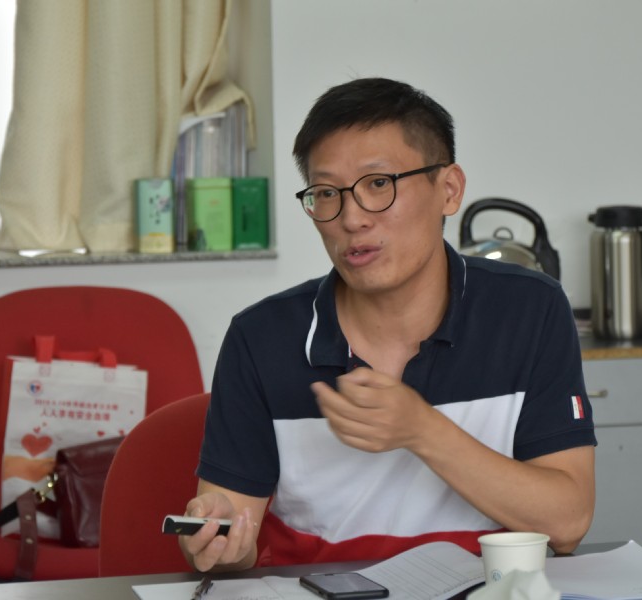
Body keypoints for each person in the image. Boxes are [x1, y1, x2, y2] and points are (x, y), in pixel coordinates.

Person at [180, 77, 596, 573]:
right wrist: (219, 541)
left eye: (378, 184)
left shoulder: (530, 310)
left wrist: (421, 430)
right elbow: (233, 541)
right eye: (326, 193)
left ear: (448, 190)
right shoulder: (261, 338)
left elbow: (567, 523)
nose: (352, 219)